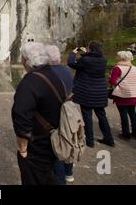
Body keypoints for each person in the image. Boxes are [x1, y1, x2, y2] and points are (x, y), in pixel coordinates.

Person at [11, 42, 65, 185]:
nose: (21, 61)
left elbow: (21, 116)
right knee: (47, 175)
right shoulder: (52, 75)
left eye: (22, 58)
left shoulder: (30, 82)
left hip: (37, 144)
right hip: (52, 137)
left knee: (34, 178)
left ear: (27, 60)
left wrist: (23, 149)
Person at [68, 41, 114, 148]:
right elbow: (90, 62)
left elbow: (72, 63)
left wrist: (73, 53)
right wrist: (86, 54)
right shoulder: (103, 60)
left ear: (90, 49)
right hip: (100, 92)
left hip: (87, 91)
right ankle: (109, 139)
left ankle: (90, 141)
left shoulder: (85, 60)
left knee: (87, 116)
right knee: (102, 115)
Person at [46, 45, 75, 184]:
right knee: (68, 141)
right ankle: (69, 173)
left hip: (55, 113)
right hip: (69, 112)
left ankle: (60, 178)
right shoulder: (66, 70)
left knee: (57, 146)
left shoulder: (48, 73)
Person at [108, 51, 136, 140]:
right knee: (133, 113)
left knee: (123, 114)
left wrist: (110, 77)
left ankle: (126, 133)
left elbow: (112, 81)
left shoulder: (117, 68)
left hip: (121, 94)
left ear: (121, 58)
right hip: (133, 94)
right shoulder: (135, 68)